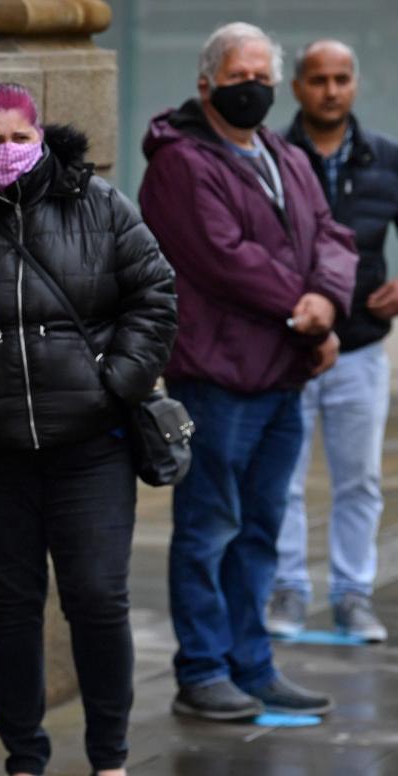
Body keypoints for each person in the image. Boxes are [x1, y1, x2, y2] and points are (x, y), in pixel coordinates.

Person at [0, 82, 177, 776]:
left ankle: (109, 759)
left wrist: (114, 381)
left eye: (18, 137)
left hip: (90, 448)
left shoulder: (99, 205)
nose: (7, 151)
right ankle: (24, 759)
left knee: (97, 598)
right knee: (10, 608)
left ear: (41, 136)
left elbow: (155, 292)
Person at [138, 23, 357, 721]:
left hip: (280, 375)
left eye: (264, 76)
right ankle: (202, 669)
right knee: (209, 531)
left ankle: (251, 663)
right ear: (206, 84)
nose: (254, 88)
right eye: (239, 77)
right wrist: (307, 309)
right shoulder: (180, 161)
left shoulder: (284, 154)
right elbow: (221, 257)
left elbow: (333, 235)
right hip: (218, 377)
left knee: (261, 529)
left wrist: (327, 302)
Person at [268, 39, 398, 643]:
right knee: (282, 478)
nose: (330, 90)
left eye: (341, 78)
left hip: (363, 346)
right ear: (297, 87)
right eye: (318, 79)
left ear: (355, 84)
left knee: (360, 479)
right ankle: (288, 589)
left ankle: (352, 594)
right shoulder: (271, 154)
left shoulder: (385, 158)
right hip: (289, 344)